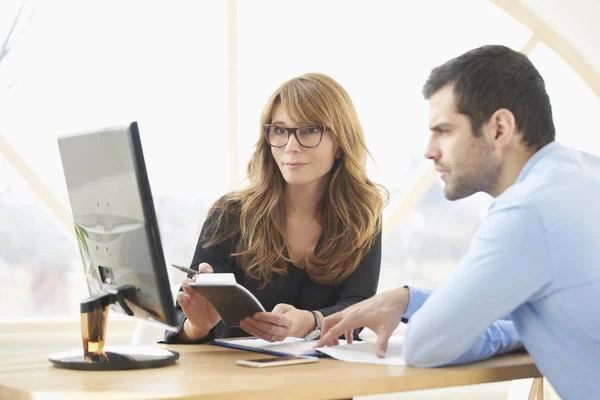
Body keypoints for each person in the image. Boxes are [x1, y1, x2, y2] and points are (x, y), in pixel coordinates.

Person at [316, 45, 600, 399]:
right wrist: (408, 300)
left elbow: (426, 345)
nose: (429, 150)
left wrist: (517, 326)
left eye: (444, 130)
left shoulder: (527, 211)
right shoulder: (585, 174)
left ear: (499, 128)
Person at [165, 73, 387, 345]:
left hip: (323, 381)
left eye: (309, 130)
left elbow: (357, 310)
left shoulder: (361, 216)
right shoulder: (230, 215)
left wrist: (308, 321)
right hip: (235, 381)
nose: (291, 147)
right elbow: (179, 321)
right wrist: (198, 325)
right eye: (280, 130)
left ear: (340, 143)